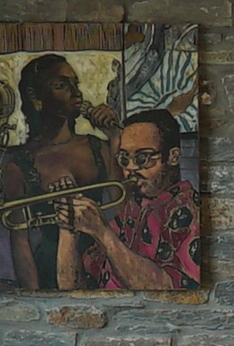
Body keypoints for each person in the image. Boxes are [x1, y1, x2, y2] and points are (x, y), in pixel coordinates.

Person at [0, 53, 116, 290]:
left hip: (102, 264)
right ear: (36, 97)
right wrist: (34, 299)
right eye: (61, 86)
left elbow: (125, 209)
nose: (76, 92)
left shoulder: (98, 148)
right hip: (49, 273)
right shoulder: (20, 164)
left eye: (75, 83)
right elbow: (21, 243)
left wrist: (114, 137)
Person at [69, 111, 202, 290]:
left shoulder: (188, 209)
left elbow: (168, 291)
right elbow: (77, 286)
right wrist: (67, 231)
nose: (130, 168)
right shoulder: (136, 206)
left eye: (142, 158)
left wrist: (103, 233)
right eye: (124, 158)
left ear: (173, 157)